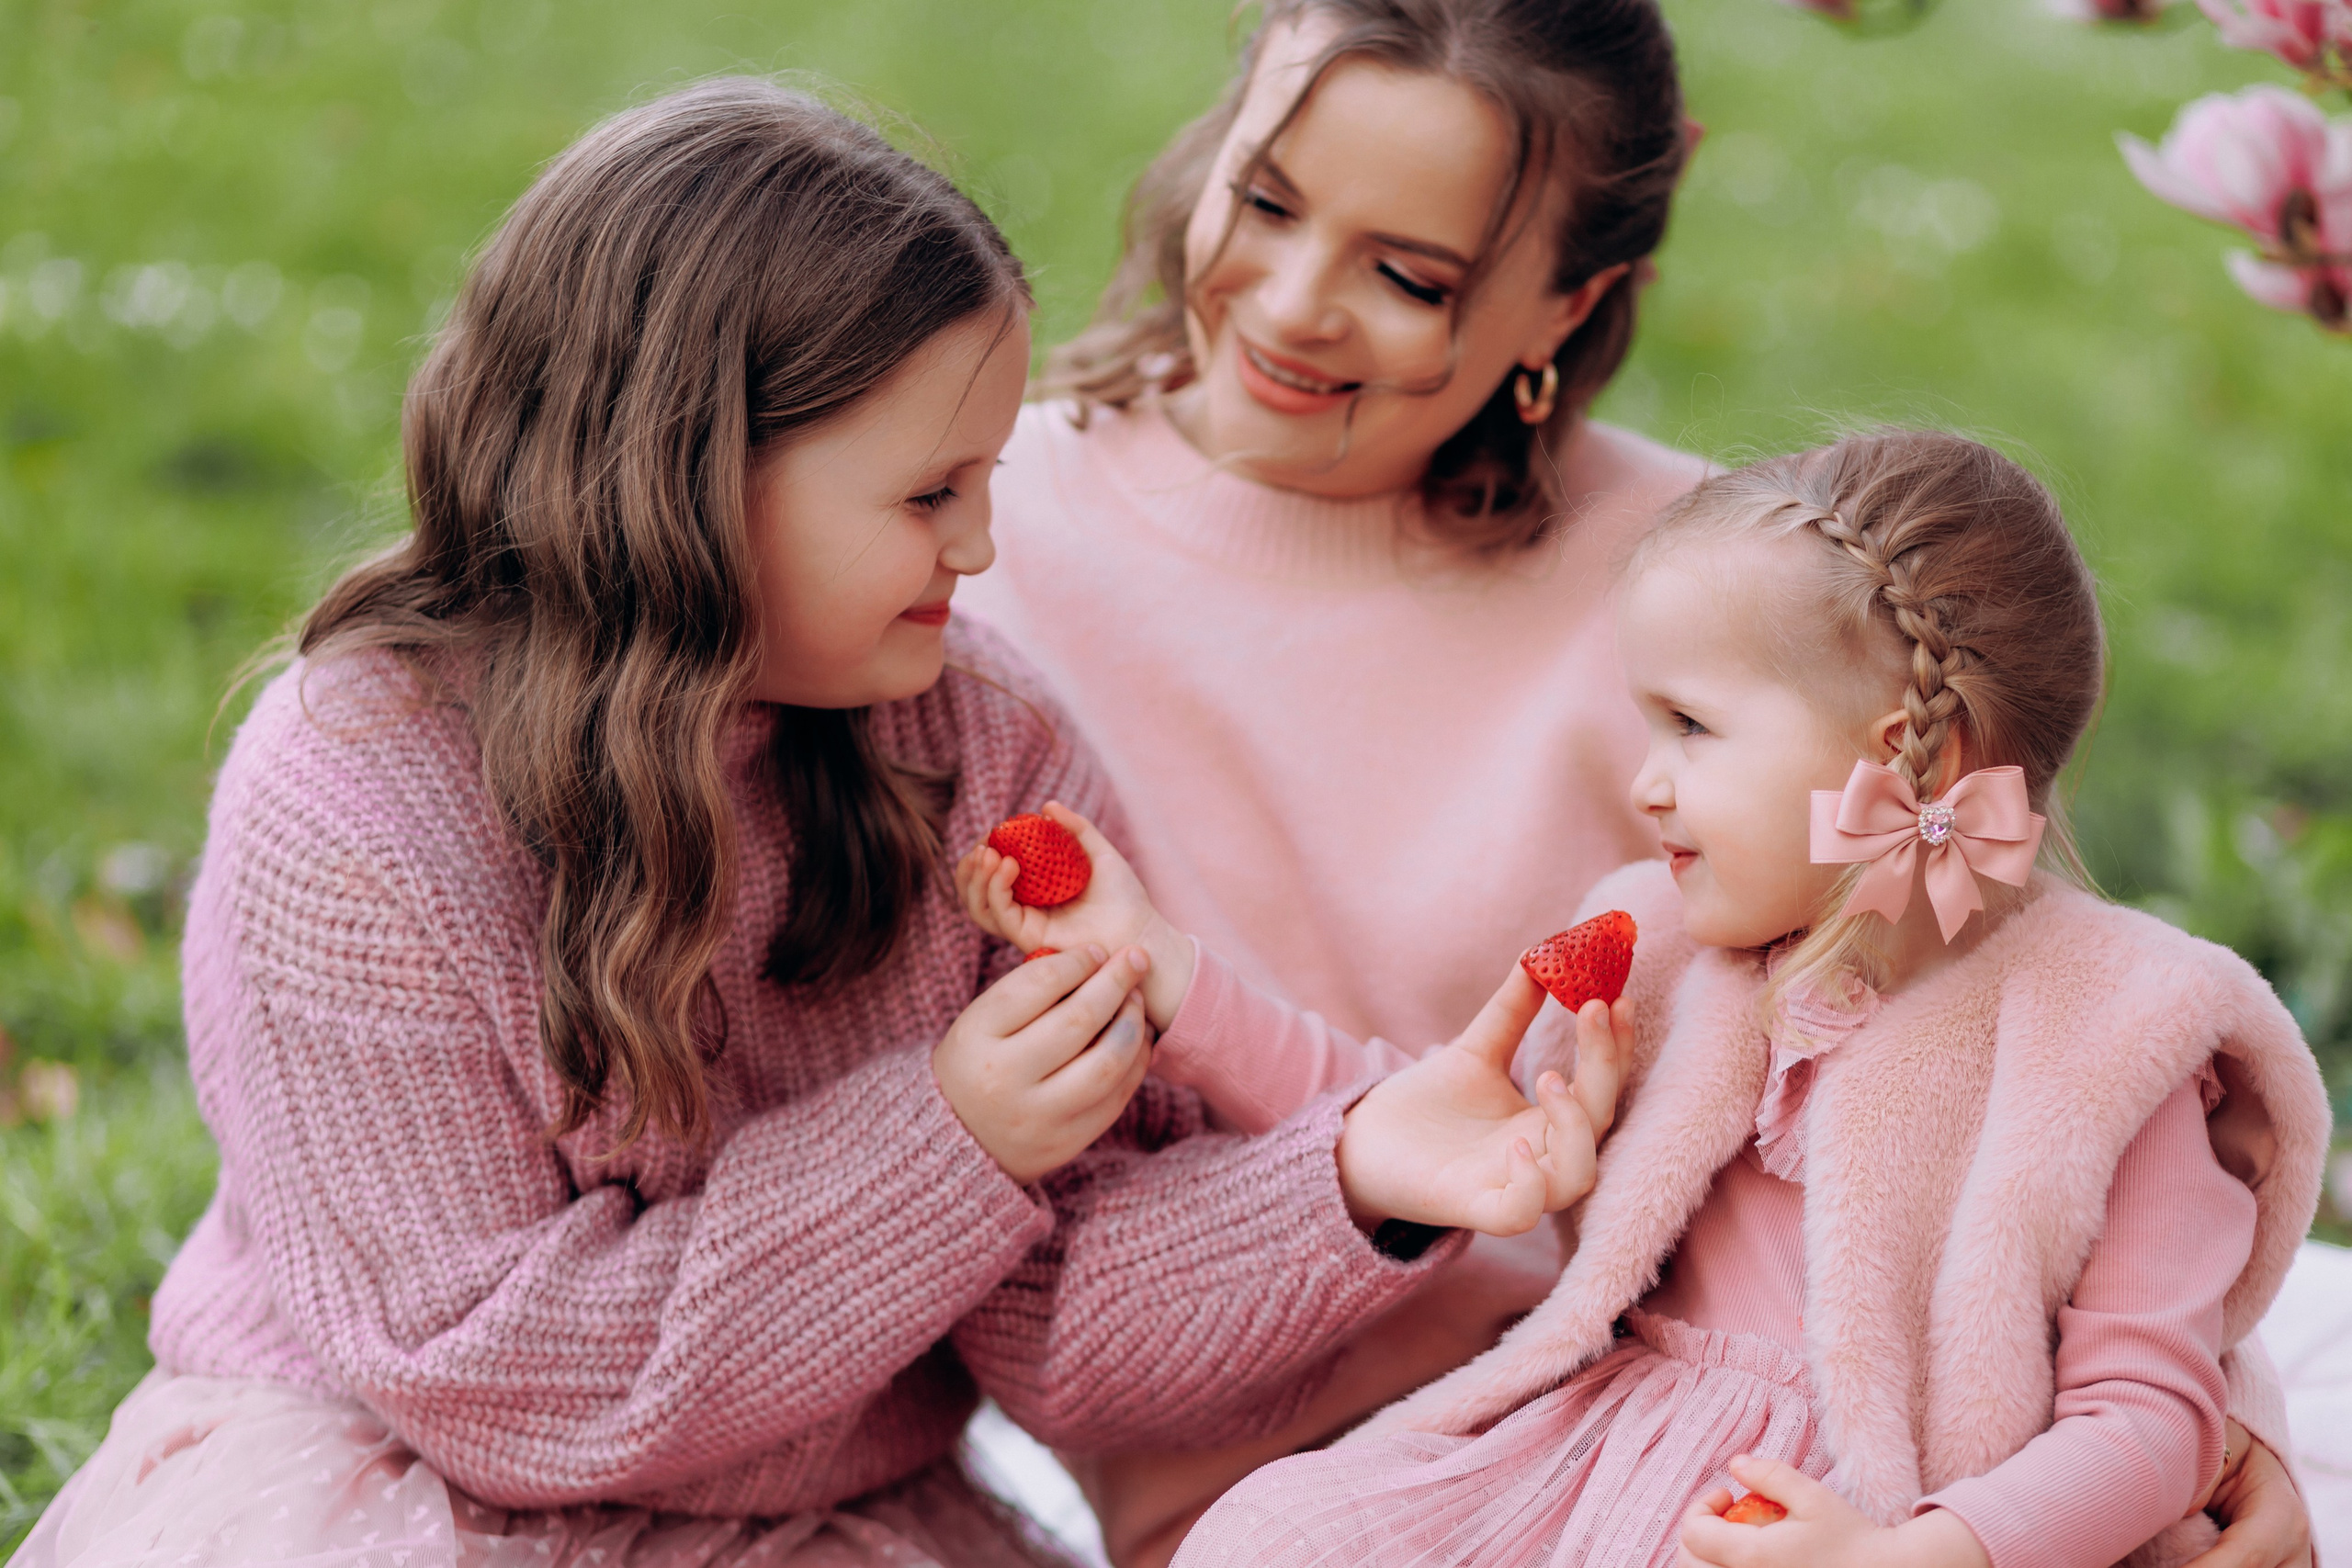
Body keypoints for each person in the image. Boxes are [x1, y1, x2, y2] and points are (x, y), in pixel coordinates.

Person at [10, 79, 1616, 1568]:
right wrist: (948, 1142)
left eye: (987, 479)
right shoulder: (358, 797)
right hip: (397, 1495)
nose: (982, 545)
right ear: (688, 481)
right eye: (929, 496)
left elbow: (1064, 1331)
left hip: (828, 1521)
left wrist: (1352, 1177)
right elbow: (480, 1373)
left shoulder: (980, 746)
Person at [955, 1, 2320, 1561]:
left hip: (1768, 1456)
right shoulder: (968, 555)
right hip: (1324, 1467)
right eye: (1264, 198)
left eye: (1410, 277)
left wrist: (2217, 1426)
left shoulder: (1727, 583)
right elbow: (1405, 1112)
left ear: (1568, 302)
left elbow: (2023, 1033)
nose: (1291, 300)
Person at [1154, 431, 2331, 1566]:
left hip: (1869, 1513)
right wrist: (1175, 988)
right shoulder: (1663, 954)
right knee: (1282, 1535)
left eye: (1690, 728)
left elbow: (2146, 1414)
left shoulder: (2115, 1036)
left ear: (1911, 757)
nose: (1643, 782)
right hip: (1599, 1455)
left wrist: (1928, 1553)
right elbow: (1430, 1114)